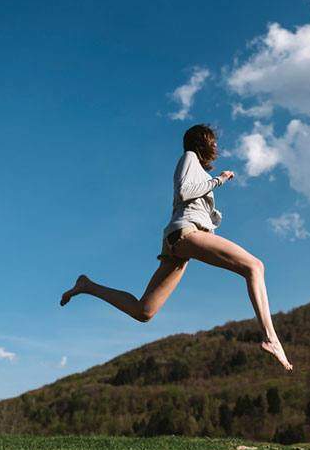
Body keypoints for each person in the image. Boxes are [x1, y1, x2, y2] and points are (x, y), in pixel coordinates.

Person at [60, 124, 293, 371]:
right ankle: (270, 337)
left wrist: (212, 212)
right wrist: (219, 180)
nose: (216, 146)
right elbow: (184, 192)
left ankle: (87, 285)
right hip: (185, 233)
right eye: (212, 141)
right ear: (201, 142)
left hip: (179, 241)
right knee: (255, 266)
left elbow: (191, 202)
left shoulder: (198, 170)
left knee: (144, 311)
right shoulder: (189, 157)